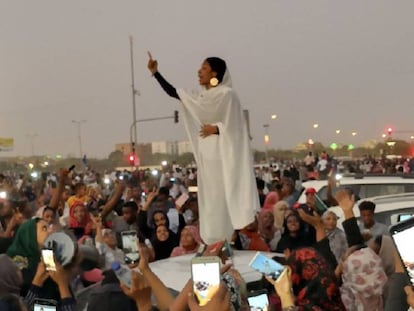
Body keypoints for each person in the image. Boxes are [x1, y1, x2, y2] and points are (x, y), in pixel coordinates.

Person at [148, 52, 258, 244]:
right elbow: (176, 93)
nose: (199, 71)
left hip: (223, 156)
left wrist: (216, 128)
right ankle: (213, 241)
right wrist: (156, 73)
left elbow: (238, 128)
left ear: (215, 73)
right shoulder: (201, 97)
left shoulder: (227, 95)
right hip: (207, 157)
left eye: (204, 68)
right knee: (210, 201)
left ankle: (226, 239)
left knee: (222, 199)